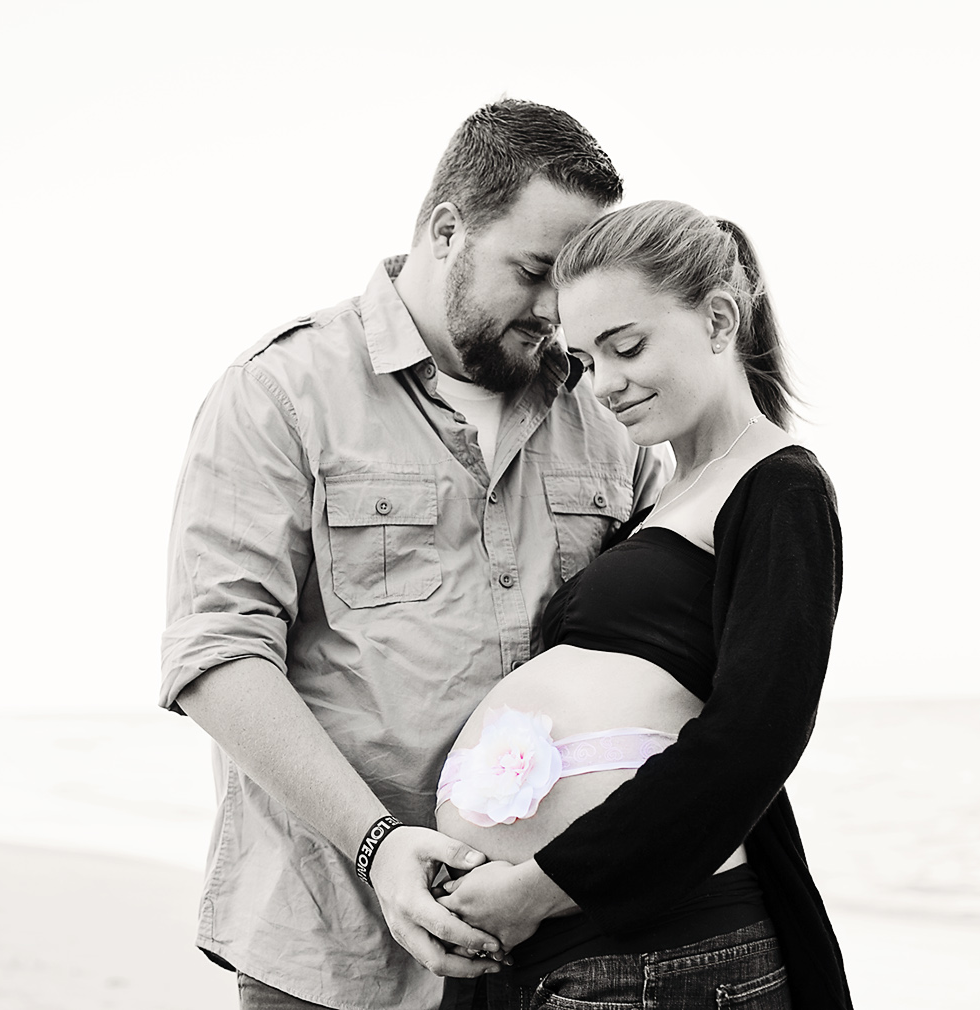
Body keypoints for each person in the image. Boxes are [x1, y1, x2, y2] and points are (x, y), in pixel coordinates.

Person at [159, 100, 670, 1010]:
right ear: (447, 231)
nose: (559, 311)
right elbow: (217, 655)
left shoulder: (610, 421)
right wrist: (379, 846)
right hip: (330, 948)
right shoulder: (279, 392)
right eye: (535, 271)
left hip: (556, 952)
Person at [432, 201, 852, 1009]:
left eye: (627, 347)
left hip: (659, 953)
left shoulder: (780, 487)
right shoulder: (660, 501)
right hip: (572, 953)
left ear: (721, 319)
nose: (607, 384)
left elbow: (755, 737)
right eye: (587, 360)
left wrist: (544, 884)